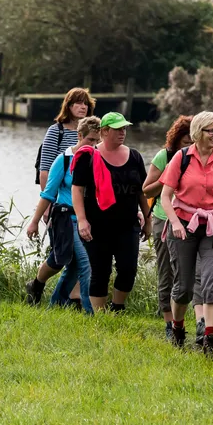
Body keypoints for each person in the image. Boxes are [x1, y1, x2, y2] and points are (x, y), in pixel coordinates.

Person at [160, 111, 213, 356]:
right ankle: (178, 327)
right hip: (184, 226)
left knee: (212, 282)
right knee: (183, 287)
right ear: (198, 132)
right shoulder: (181, 158)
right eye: (210, 130)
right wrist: (174, 222)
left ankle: (210, 338)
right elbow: (165, 196)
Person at [71, 112, 151, 312]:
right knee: (100, 270)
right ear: (104, 131)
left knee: (128, 269)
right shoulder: (89, 156)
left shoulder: (134, 157)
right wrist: (81, 220)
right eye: (118, 129)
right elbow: (77, 189)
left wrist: (148, 219)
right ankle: (101, 316)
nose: (122, 133)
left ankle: (117, 307)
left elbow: (142, 191)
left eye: (124, 128)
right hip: (97, 225)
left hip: (127, 224)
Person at [26, 116, 101, 314]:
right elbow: (48, 193)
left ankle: (55, 304)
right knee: (83, 263)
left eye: (96, 141)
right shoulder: (64, 159)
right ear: (79, 136)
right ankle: (89, 312)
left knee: (72, 265)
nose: (93, 145)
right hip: (65, 217)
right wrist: (34, 221)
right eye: (89, 140)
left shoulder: (96, 159)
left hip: (86, 219)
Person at [142, 115, 206, 341]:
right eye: (185, 142)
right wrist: (169, 176)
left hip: (194, 222)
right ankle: (169, 323)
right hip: (164, 219)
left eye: (193, 141)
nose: (189, 146)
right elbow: (147, 190)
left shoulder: (204, 159)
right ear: (176, 140)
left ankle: (201, 322)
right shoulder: (165, 156)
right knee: (166, 272)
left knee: (197, 272)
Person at [34, 87, 96, 304]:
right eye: (78, 103)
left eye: (85, 103)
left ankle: (70, 299)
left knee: (75, 260)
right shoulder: (57, 132)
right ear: (68, 106)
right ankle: (39, 285)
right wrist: (49, 208)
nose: (82, 106)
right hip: (61, 204)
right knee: (62, 257)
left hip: (83, 210)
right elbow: (46, 171)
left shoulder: (93, 136)